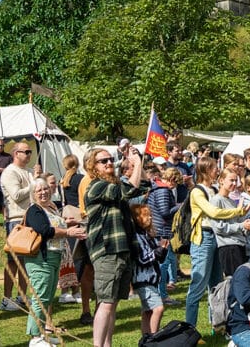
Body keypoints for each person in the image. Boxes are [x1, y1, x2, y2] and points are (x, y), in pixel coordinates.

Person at [85, 145, 144, 347]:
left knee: (113, 303)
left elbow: (143, 185)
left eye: (111, 159)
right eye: (103, 161)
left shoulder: (114, 184)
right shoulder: (96, 186)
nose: (110, 162)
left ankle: (107, 344)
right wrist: (136, 164)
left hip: (122, 250)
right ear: (92, 166)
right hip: (107, 249)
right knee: (106, 303)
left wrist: (137, 161)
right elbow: (130, 189)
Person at [23, 177, 86, 346]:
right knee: (40, 296)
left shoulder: (51, 208)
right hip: (40, 259)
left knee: (48, 296)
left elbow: (52, 225)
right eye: (39, 190)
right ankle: (34, 337)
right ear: (33, 194)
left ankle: (42, 333)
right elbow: (44, 230)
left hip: (54, 256)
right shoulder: (34, 210)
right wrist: (68, 232)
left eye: (45, 189)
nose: (43, 192)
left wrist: (67, 223)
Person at [185, 156, 247, 329]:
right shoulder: (197, 191)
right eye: (213, 167)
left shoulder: (213, 189)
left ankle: (217, 324)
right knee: (198, 284)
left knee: (216, 285)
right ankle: (190, 329)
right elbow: (213, 212)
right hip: (203, 238)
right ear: (205, 170)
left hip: (217, 238)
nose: (217, 170)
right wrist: (238, 211)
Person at [0, 140, 39, 310]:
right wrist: (34, 184)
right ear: (16, 153)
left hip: (30, 219)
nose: (29, 154)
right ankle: (6, 299)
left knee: (26, 261)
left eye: (30, 151)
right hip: (16, 221)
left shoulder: (29, 171)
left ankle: (22, 296)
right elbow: (16, 195)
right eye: (26, 151)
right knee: (13, 261)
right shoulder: (10, 172)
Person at [130, 203, 169, 337]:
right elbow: (143, 259)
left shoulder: (146, 235)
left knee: (147, 311)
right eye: (146, 216)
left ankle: (146, 338)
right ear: (137, 218)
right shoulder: (137, 236)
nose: (150, 218)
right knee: (158, 308)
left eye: (151, 216)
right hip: (143, 279)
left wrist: (162, 249)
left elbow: (158, 258)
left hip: (150, 280)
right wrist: (159, 250)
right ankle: (154, 337)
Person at [210, 167, 250, 277]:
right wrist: (241, 225)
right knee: (234, 280)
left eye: (236, 180)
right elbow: (218, 227)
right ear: (221, 180)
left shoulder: (232, 202)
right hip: (228, 247)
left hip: (239, 244)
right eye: (231, 180)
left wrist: (247, 225)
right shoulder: (216, 200)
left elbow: (237, 222)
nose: (234, 183)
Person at [148, 167, 181, 302]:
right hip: (161, 231)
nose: (175, 186)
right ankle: (162, 296)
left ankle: (160, 294)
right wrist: (180, 205)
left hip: (157, 230)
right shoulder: (163, 191)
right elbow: (165, 212)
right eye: (176, 182)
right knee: (162, 265)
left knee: (161, 264)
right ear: (172, 179)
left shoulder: (157, 188)